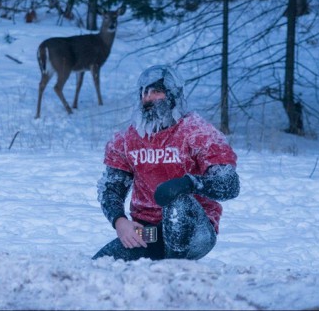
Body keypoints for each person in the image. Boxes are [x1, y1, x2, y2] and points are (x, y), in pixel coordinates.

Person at [93, 64, 240, 261]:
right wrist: (120, 221)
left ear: (172, 96)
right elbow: (111, 188)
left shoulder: (198, 132)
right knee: (102, 264)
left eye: (157, 92)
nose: (150, 98)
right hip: (151, 234)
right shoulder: (126, 139)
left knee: (177, 200)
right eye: (145, 93)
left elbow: (230, 184)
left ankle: (173, 270)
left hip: (197, 230)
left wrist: (188, 184)